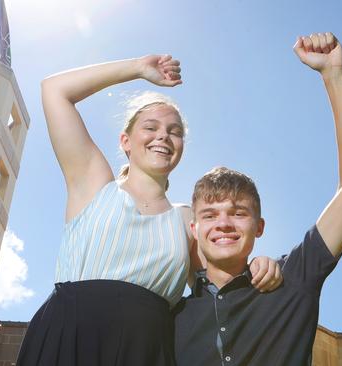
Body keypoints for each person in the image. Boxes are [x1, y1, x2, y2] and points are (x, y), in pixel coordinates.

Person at [17, 55, 283, 365]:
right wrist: (138, 69)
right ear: (126, 141)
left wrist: (260, 266)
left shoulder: (186, 221)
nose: (163, 136)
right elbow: (54, 89)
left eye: (174, 131)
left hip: (147, 349)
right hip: (70, 337)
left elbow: (222, 282)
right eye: (151, 127)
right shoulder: (93, 183)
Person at [173, 32, 342, 365]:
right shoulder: (169, 317)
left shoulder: (294, 278)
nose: (223, 223)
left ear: (260, 226)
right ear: (194, 228)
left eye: (238, 213)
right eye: (210, 215)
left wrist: (333, 75)